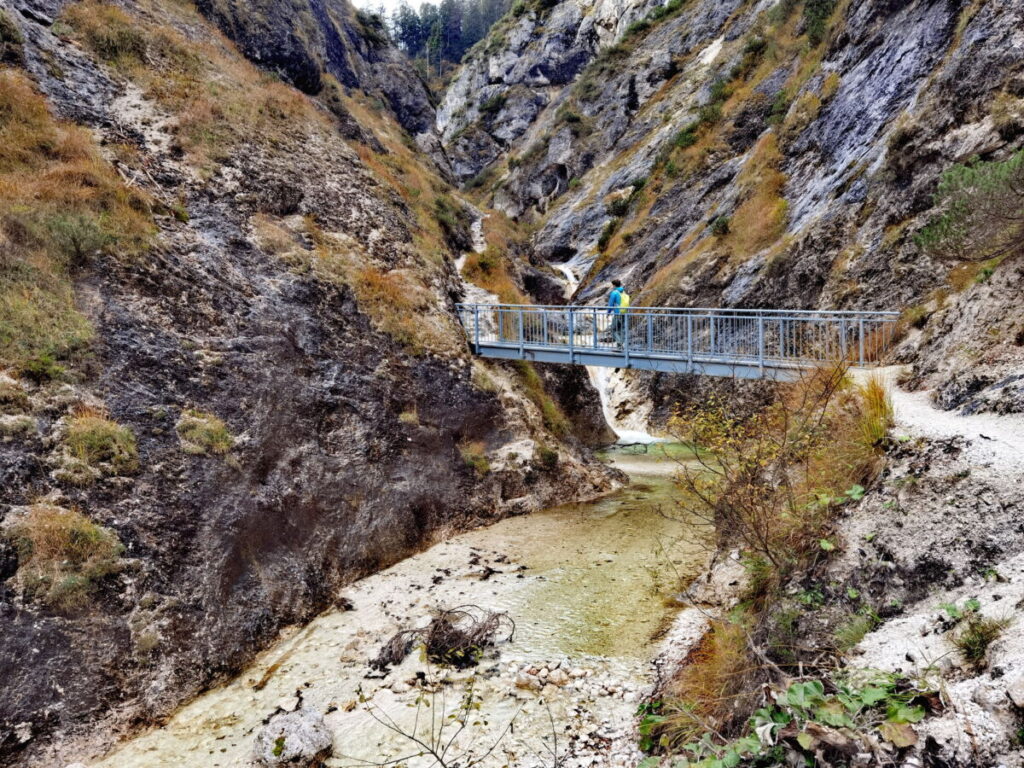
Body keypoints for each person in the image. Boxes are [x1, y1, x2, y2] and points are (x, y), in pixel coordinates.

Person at [607, 279, 629, 346]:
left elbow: (611, 304)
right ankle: (619, 346)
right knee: (621, 329)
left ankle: (619, 343)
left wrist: (608, 313)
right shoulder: (623, 291)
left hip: (617, 313)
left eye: (612, 285)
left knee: (613, 329)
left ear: (614, 285)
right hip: (624, 312)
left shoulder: (614, 293)